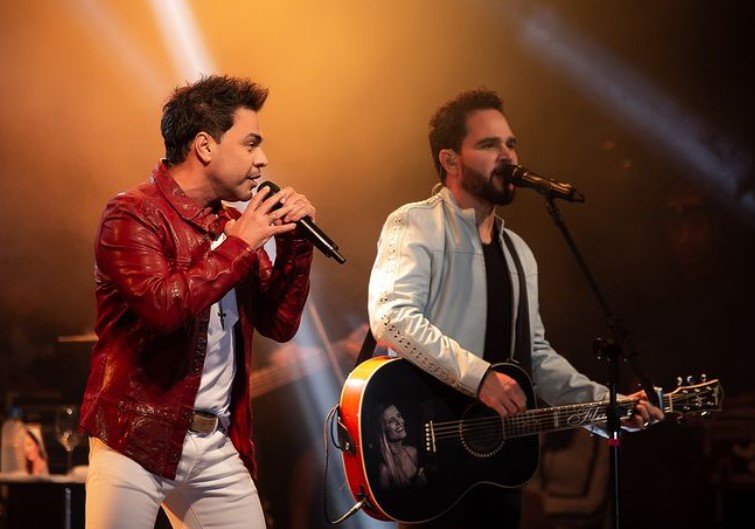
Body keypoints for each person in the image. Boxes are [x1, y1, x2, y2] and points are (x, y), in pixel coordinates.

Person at [366, 88, 665, 529]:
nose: (507, 156)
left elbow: (536, 358)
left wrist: (607, 407)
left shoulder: (518, 252)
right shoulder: (416, 223)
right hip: (432, 458)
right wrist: (480, 377)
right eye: (489, 145)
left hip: (498, 460)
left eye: (511, 143)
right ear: (450, 160)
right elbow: (392, 318)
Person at [79, 74, 316, 529]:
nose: (262, 160)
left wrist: (295, 247)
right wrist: (240, 245)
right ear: (205, 146)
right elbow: (163, 307)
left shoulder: (229, 224)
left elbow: (279, 324)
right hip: (134, 436)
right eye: (250, 144)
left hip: (214, 444)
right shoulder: (132, 213)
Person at [375, 402, 426, 490]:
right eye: (391, 421)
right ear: (384, 430)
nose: (399, 422)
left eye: (399, 416)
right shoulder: (384, 470)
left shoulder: (413, 452)